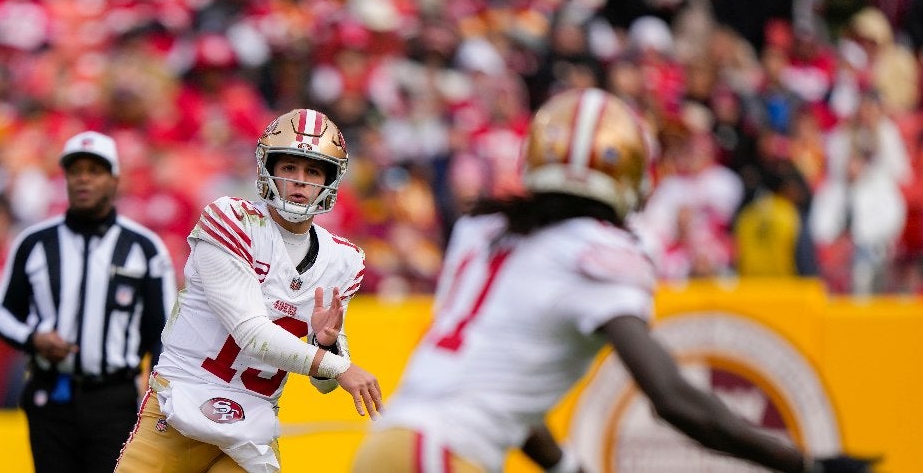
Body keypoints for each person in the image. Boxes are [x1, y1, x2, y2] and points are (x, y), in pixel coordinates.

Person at [352, 88, 877, 473]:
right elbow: (673, 399)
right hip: (441, 457)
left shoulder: (482, 231)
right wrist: (802, 464)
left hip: (389, 448)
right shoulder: (600, 251)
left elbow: (497, 386)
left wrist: (561, 465)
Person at [115, 108, 382, 473]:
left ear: (330, 179)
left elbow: (323, 385)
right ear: (268, 168)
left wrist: (324, 345)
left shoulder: (343, 259)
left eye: (313, 171)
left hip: (252, 424)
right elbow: (251, 333)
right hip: (180, 405)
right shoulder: (230, 220)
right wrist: (339, 366)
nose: (300, 181)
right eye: (289, 168)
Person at [0, 130, 178, 473]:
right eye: (76, 170)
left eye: (95, 170)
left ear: (115, 178)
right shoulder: (34, 243)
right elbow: (3, 312)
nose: (84, 179)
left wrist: (157, 405)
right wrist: (33, 339)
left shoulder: (144, 248)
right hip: (50, 394)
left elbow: (162, 335)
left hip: (115, 397)